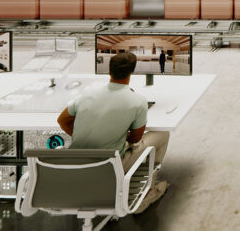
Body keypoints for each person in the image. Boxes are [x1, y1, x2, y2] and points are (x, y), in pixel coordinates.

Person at [57, 52, 169, 211]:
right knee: (163, 134)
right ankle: (148, 192)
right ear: (131, 72)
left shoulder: (87, 95)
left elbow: (62, 120)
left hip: (78, 165)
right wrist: (119, 134)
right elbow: (136, 139)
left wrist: (82, 134)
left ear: (109, 71)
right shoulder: (137, 101)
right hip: (110, 167)